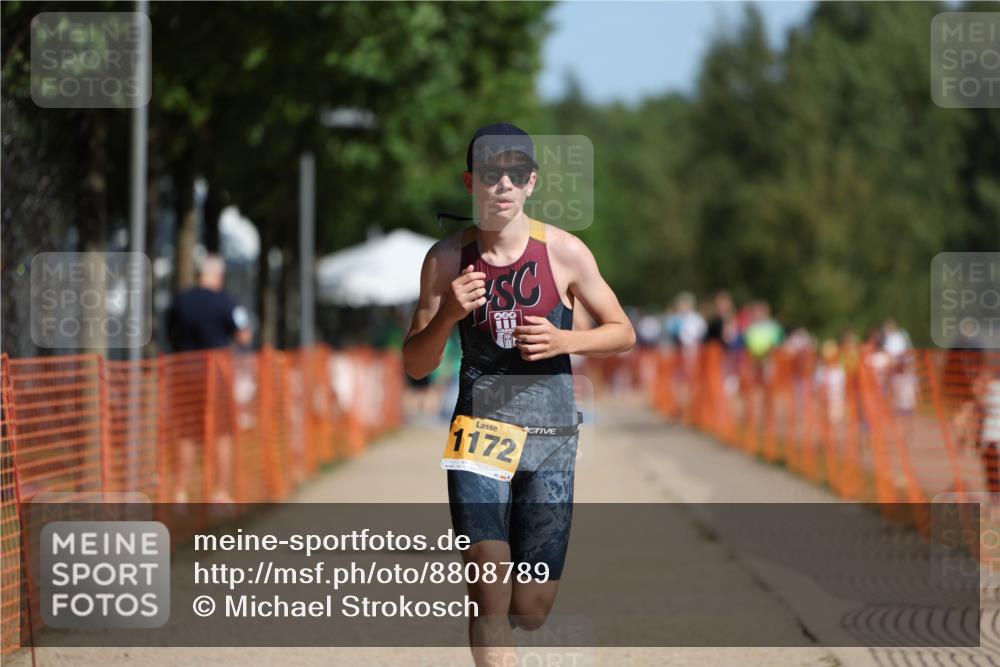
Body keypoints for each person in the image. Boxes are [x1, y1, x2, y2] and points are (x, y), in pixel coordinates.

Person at [402, 123, 635, 665]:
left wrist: (565, 338)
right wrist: (450, 316)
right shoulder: (444, 262)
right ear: (470, 182)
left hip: (551, 439)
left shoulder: (566, 252)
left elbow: (622, 331)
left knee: (529, 607)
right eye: (490, 173)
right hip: (478, 432)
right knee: (488, 588)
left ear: (531, 183)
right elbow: (416, 364)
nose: (502, 184)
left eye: (514, 174)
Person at [166, 253, 253, 504]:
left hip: (184, 371)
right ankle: (220, 492)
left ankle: (179, 492)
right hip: (215, 373)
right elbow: (244, 335)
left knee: (187, 432)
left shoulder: (180, 301)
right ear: (219, 275)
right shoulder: (226, 302)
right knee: (222, 432)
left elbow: (169, 333)